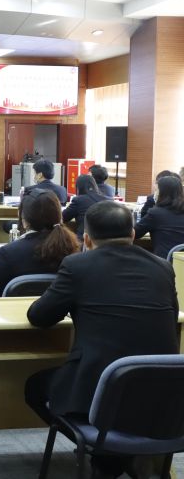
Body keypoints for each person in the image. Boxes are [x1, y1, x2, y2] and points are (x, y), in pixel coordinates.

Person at [25, 200, 178, 477]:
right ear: (133, 234)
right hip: (163, 398)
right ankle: (123, 458)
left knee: (34, 386)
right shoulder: (163, 267)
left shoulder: (77, 265)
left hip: (101, 393)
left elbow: (39, 316)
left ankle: (104, 454)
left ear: (86, 239)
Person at [0, 189, 79, 297]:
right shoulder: (72, 248)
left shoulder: (8, 253)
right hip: (59, 308)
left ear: (24, 221)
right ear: (59, 216)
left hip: (15, 308)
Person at [134, 175, 184, 259]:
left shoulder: (155, 213)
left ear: (162, 193)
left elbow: (135, 233)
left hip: (165, 262)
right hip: (180, 261)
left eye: (156, 190)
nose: (154, 194)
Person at [62, 174, 110, 240]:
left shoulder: (79, 200)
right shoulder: (108, 199)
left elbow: (63, 217)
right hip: (104, 240)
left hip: (84, 239)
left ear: (79, 187)